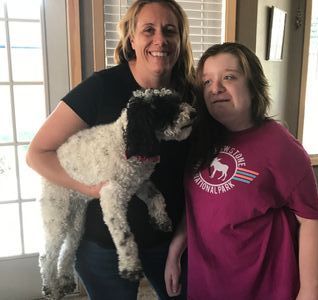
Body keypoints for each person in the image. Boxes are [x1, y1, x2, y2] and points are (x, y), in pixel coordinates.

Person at [26, 0, 195, 299]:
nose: (160, 40)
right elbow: (37, 154)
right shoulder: (101, 88)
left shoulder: (190, 96)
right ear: (132, 38)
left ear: (180, 40)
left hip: (171, 242)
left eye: (170, 30)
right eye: (148, 30)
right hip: (103, 249)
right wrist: (90, 188)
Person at [169, 42, 318, 300]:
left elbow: (311, 219)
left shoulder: (281, 146)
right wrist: (176, 249)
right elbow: (198, 205)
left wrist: (311, 290)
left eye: (229, 77)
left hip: (260, 285)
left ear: (253, 85)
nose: (216, 88)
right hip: (207, 280)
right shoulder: (200, 139)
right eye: (207, 82)